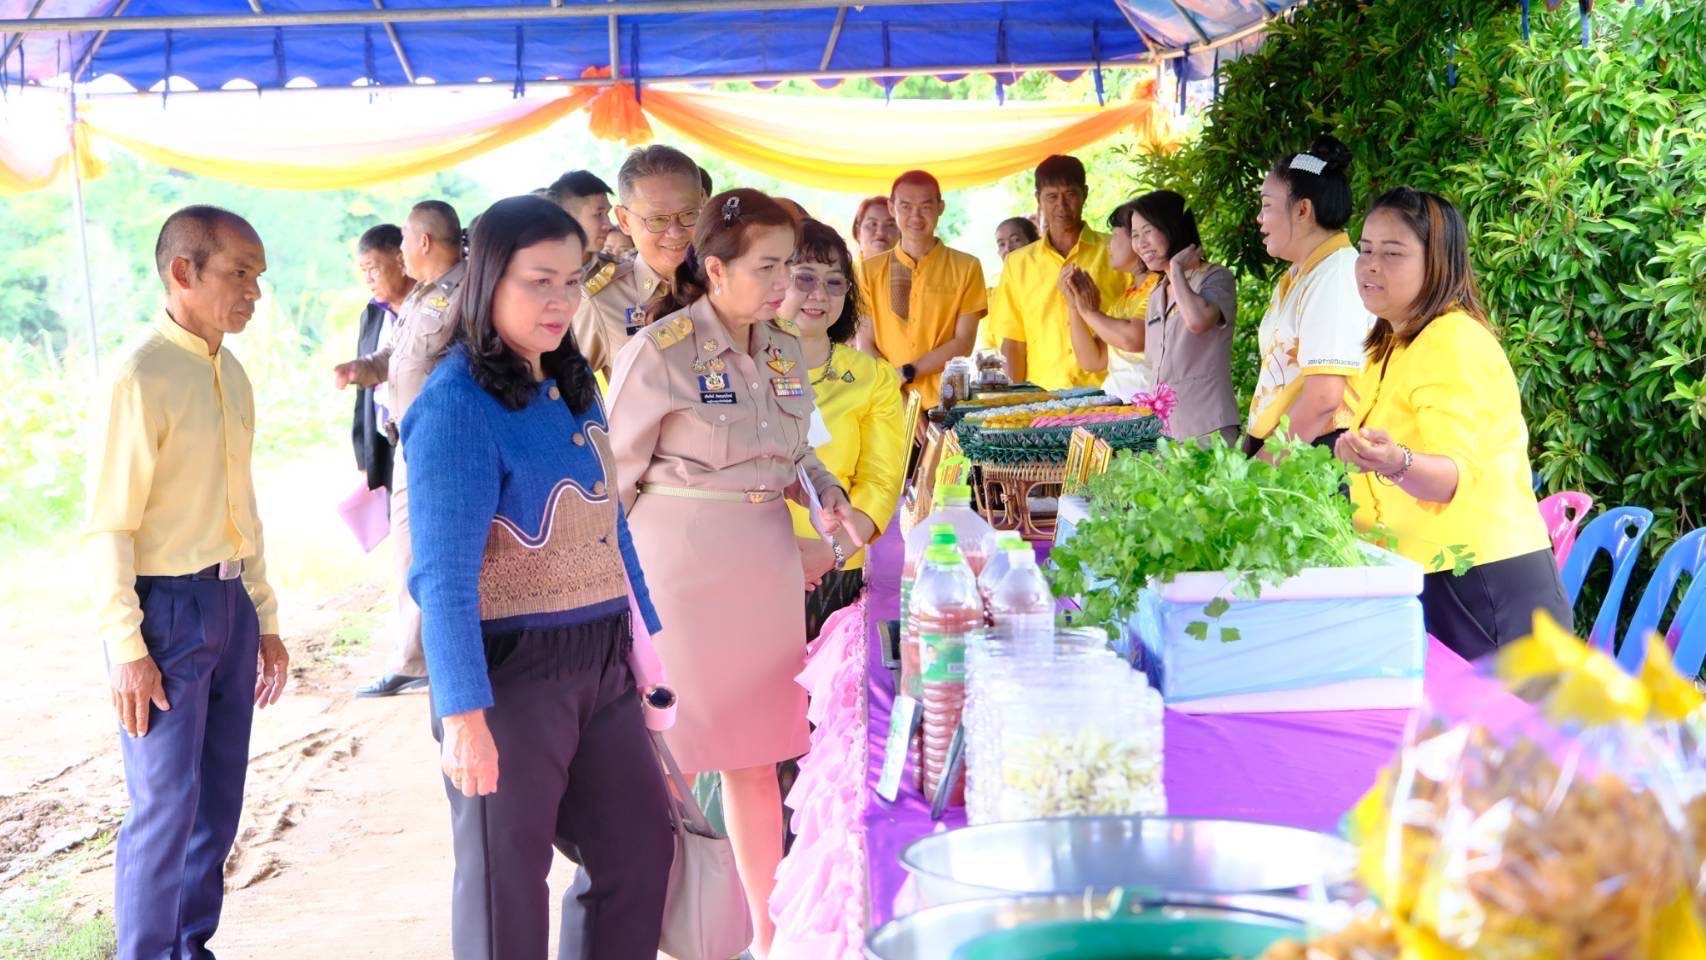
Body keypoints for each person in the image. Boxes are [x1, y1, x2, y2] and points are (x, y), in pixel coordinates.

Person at [403, 196, 672, 960]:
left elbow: (611, 525)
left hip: (602, 662)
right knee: (504, 890)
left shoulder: (571, 380)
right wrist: (463, 716)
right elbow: (443, 578)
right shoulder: (456, 405)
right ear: (488, 281)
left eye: (572, 280)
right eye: (538, 281)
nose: (560, 301)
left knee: (638, 853)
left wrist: (648, 647)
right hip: (509, 678)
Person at [608, 189, 853, 957]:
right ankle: (650, 927)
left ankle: (766, 934)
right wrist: (606, 590)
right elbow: (611, 479)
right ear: (715, 269)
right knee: (668, 762)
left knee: (757, 757)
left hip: (763, 564)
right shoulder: (661, 350)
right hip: (678, 571)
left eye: (793, 265)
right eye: (769, 266)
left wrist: (831, 496)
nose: (786, 283)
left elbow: (798, 454)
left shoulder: (782, 351)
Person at [89, 205, 290, 960]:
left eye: (258, 277)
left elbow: (244, 505)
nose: (254, 293)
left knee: (218, 800)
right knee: (165, 806)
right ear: (184, 272)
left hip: (229, 601)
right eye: (240, 273)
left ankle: (188, 946)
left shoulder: (230, 372)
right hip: (163, 609)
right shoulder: (141, 375)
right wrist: (126, 646)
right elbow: (109, 520)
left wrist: (264, 617)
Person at [1335, 188, 1569, 660]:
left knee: (1502, 734)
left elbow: (1451, 479)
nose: (1370, 265)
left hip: (1484, 585)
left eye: (1393, 252)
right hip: (1430, 574)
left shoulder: (1453, 340)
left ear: (1437, 262)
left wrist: (1392, 461)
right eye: (1365, 250)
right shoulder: (1392, 344)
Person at [334, 199, 468, 698]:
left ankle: (433, 661)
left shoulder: (470, 292)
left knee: (438, 553)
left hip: (450, 445)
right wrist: (359, 370)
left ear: (424, 242)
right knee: (412, 553)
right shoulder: (421, 297)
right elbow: (395, 357)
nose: (401, 249)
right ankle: (416, 658)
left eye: (405, 240)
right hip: (411, 445)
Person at [781, 220, 908, 639]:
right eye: (804, 278)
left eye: (835, 282)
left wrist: (830, 552)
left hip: (834, 569)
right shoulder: (738, 367)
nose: (819, 294)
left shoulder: (873, 377)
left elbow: (881, 482)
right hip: (743, 566)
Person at [1246, 135, 1373, 454]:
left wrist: (1264, 468)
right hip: (1296, 447)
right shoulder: (1301, 274)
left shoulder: (1338, 273)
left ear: (1302, 210)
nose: (1260, 220)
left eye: (1267, 206)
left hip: (1317, 453)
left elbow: (1324, 398)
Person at [1092, 190, 1238, 444]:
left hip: (1208, 426)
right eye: (1135, 235)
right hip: (1166, 430)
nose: (1141, 243)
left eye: (1148, 231)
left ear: (1172, 227)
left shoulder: (1215, 277)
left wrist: (1177, 270)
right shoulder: (1158, 292)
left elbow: (1197, 320)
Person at [987, 154, 1127, 390]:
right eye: (1051, 197)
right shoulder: (1018, 263)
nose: (1061, 206)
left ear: (1085, 193)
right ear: (1038, 199)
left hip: (1112, 392)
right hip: (1044, 397)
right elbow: (1014, 341)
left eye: (1070, 195)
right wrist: (1015, 400)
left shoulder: (1117, 252)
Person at [855, 170, 987, 405]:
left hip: (946, 402)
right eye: (906, 206)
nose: (915, 216)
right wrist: (899, 396)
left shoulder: (966, 267)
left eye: (925, 206)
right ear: (891, 207)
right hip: (886, 402)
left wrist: (907, 373)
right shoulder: (869, 271)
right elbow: (865, 344)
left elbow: (964, 343)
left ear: (941, 207)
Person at [574, 144, 704, 380]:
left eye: (688, 214)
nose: (675, 232)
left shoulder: (729, 283)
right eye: (657, 220)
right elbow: (565, 393)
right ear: (624, 220)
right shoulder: (601, 302)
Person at [1061, 201, 1162, 401]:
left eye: (1115, 235)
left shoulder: (1159, 288)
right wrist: (1075, 306)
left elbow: (1132, 339)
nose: (1109, 244)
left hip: (1149, 413)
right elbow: (1093, 360)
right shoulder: (1124, 299)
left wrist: (1090, 312)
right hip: (1119, 406)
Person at [349, 223, 414, 493]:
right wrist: (362, 450)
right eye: (364, 271)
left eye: (373, 269)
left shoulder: (435, 309)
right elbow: (364, 386)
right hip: (385, 438)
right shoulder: (373, 314)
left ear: (401, 260)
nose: (368, 279)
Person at [977, 215, 1043, 350]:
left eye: (1016, 240)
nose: (1008, 248)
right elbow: (990, 347)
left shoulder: (1048, 283)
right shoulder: (991, 293)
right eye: (1001, 244)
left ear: (1035, 243)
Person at [546, 168, 616, 272]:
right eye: (598, 214)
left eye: (607, 214)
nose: (609, 225)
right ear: (567, 218)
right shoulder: (532, 273)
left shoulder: (616, 271)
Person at [851, 195, 899, 264]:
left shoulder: (913, 273)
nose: (881, 232)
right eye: (873, 224)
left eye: (890, 225)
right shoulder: (844, 273)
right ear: (858, 232)